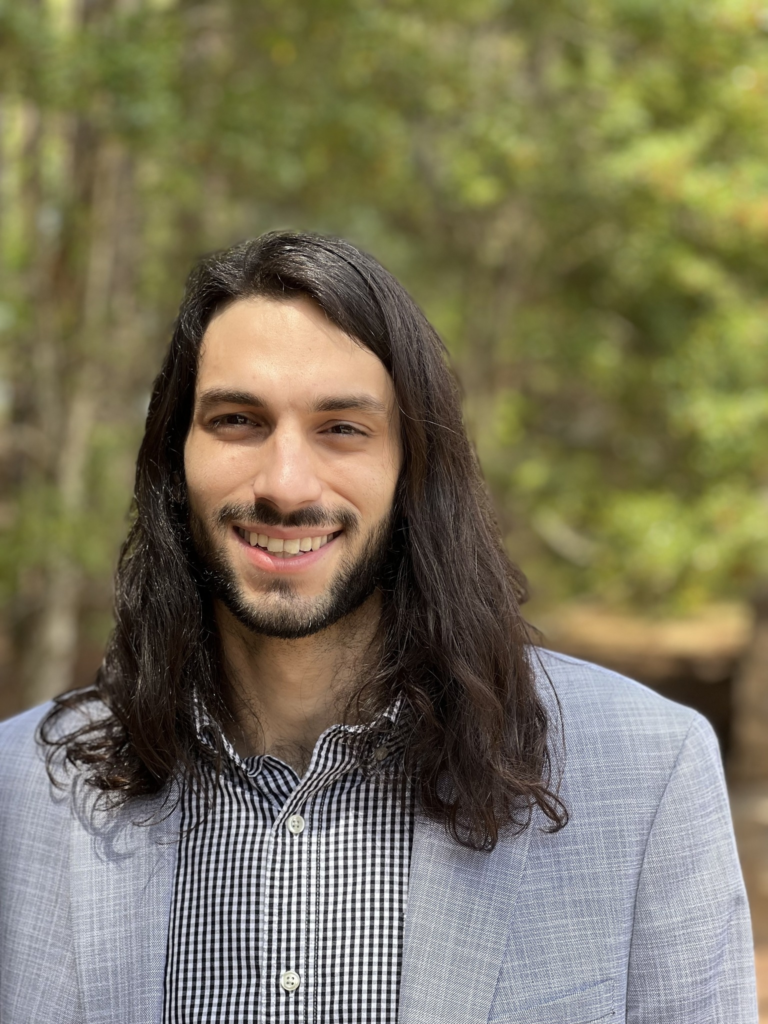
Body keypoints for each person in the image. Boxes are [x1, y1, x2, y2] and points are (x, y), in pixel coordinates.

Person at [0, 232, 757, 1024]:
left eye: (342, 429)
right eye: (237, 420)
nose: (286, 486)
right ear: (174, 455)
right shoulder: (21, 792)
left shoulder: (648, 775)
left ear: (413, 470)